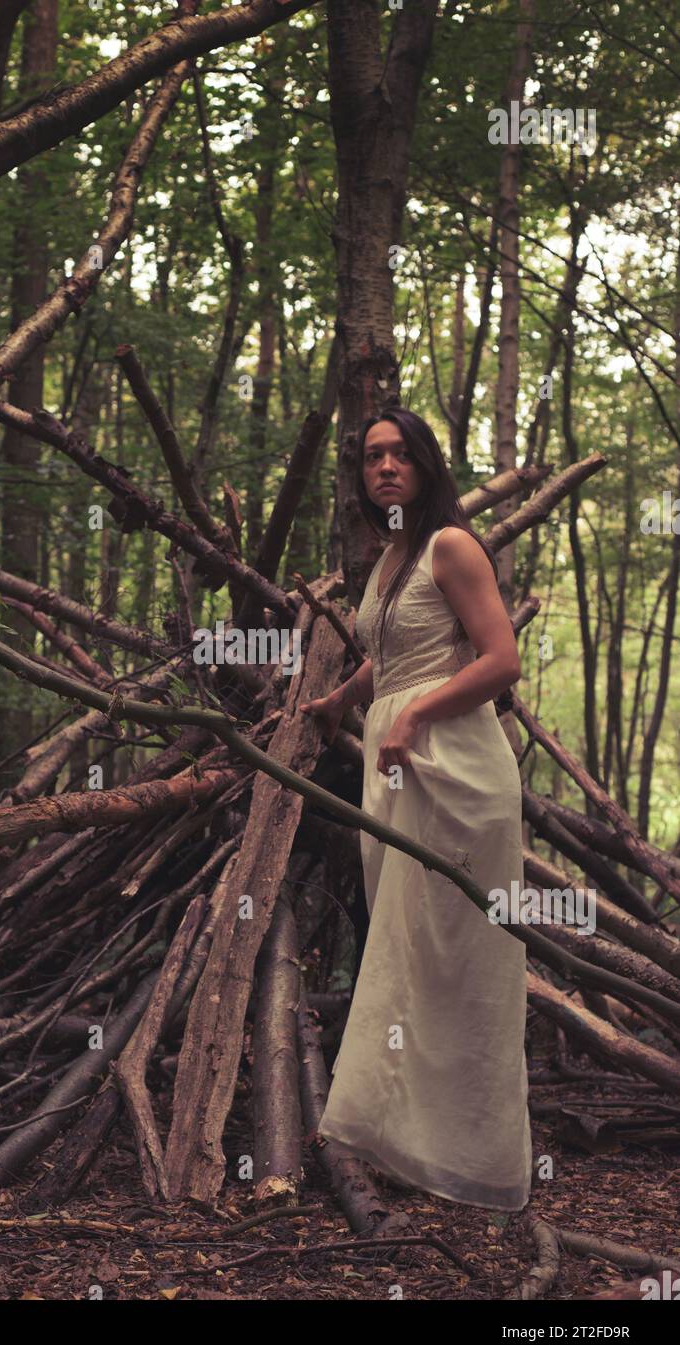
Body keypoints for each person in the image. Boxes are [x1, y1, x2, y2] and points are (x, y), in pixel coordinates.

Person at [299, 407, 532, 1211]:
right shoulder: (389, 558)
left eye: (400, 454)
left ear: (427, 466)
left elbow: (502, 659)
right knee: (403, 950)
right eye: (372, 457)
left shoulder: (450, 545)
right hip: (394, 764)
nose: (385, 467)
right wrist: (338, 700)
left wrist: (413, 716)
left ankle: (477, 1158)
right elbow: (391, 657)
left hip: (455, 770)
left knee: (458, 958)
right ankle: (409, 1144)